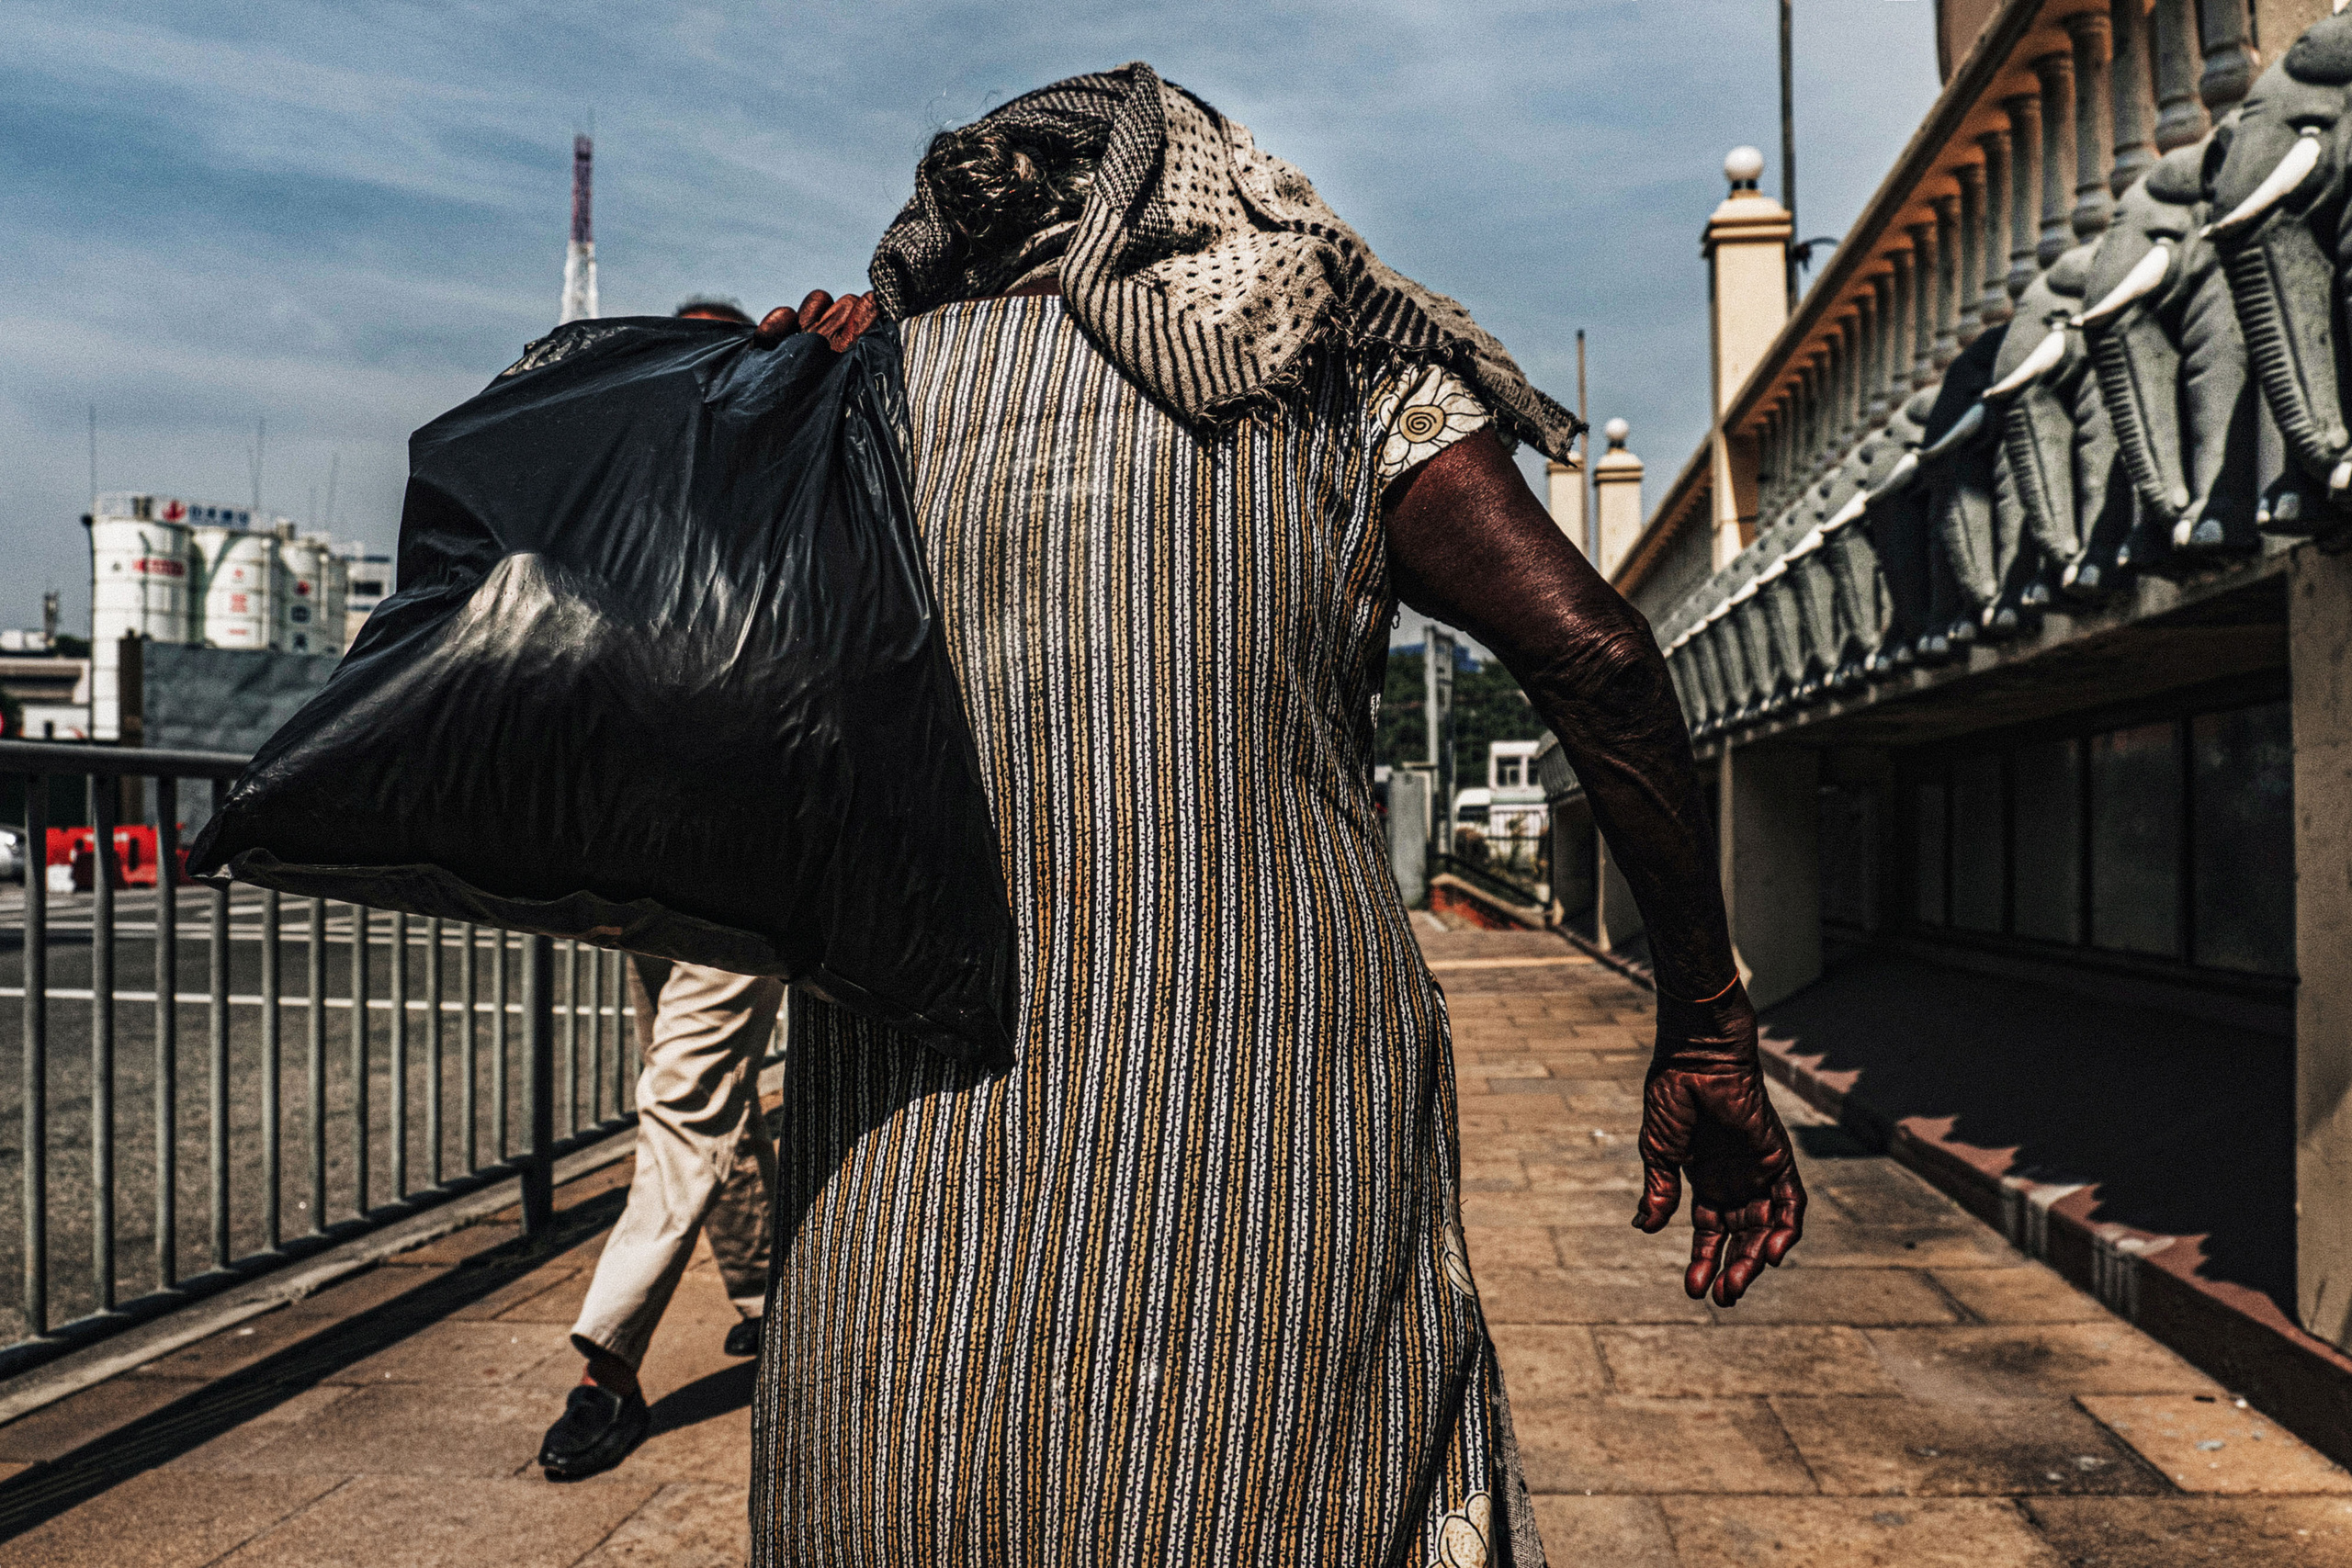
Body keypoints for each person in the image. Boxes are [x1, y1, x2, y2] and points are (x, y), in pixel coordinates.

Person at [752, 68, 1802, 1564]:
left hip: (900, 1154)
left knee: (918, 1470)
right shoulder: (1320, 365)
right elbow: (1599, 656)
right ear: (1208, 212)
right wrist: (1704, 1019)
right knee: (1290, 1481)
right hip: (1265, 1125)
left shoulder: (851, 407)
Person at [532, 293, 797, 1483]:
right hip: (655, 860)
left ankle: (608, 1360)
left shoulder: (780, 504)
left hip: (748, 855)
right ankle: (767, 1290)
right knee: (695, 1092)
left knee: (682, 1096)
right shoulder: (640, 524)